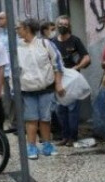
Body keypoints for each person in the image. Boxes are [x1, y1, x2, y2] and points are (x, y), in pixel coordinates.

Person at [16, 18, 65, 160]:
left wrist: (58, 83)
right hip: (27, 89)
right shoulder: (17, 48)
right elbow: (13, 71)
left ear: (27, 28)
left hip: (46, 88)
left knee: (45, 118)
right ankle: (31, 146)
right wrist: (15, 89)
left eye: (19, 27)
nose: (17, 30)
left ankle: (47, 144)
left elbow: (57, 64)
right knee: (31, 119)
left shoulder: (45, 44)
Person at [52, 15, 90, 147]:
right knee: (60, 109)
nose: (63, 26)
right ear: (56, 26)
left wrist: (77, 67)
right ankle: (64, 136)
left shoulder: (75, 41)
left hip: (72, 80)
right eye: (60, 24)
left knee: (72, 109)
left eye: (65, 24)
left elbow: (86, 57)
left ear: (69, 26)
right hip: (58, 79)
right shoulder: (52, 42)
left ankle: (73, 137)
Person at [0, 12, 15, 132]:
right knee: (7, 98)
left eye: (2, 18)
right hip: (4, 71)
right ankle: (11, 122)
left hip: (13, 70)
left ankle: (16, 123)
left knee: (15, 97)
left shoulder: (14, 34)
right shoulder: (1, 34)